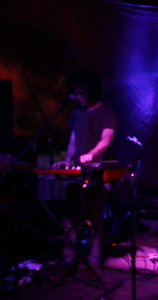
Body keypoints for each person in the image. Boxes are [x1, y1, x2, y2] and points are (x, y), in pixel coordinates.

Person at [50, 70, 117, 284]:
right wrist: (67, 161)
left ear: (91, 91)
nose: (78, 97)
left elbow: (106, 140)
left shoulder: (106, 112)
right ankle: (68, 262)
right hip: (77, 173)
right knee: (69, 220)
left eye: (81, 93)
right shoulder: (77, 113)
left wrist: (92, 154)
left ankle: (94, 263)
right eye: (76, 93)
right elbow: (73, 140)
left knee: (95, 220)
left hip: (99, 174)